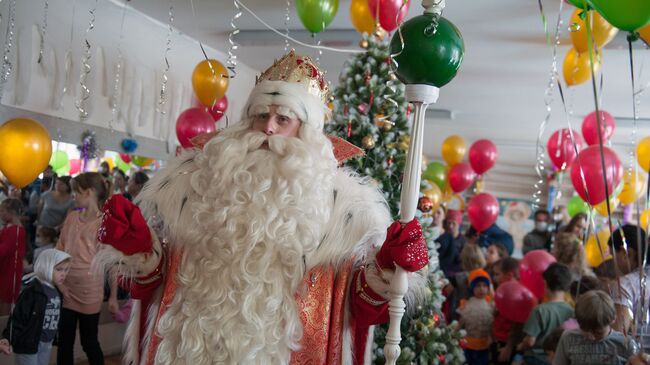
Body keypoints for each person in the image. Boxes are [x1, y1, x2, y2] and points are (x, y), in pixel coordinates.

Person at [93, 51, 429, 364]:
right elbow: (150, 286)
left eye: (283, 118)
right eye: (260, 116)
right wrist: (139, 251)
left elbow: (362, 309)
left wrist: (386, 271)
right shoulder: (190, 188)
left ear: (308, 130)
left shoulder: (345, 211)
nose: (268, 128)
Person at [56, 172, 113, 365]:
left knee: (89, 341)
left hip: (90, 291)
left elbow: (110, 262)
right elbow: (60, 249)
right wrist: (59, 282)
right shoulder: (72, 217)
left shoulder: (103, 223)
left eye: (76, 192)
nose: (74, 196)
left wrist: (113, 296)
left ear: (89, 192)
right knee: (64, 341)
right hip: (67, 290)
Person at [0, 249, 71, 365]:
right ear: (46, 266)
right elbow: (17, 318)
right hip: (29, 342)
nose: (64, 274)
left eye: (66, 270)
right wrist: (7, 338)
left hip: (47, 342)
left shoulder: (57, 290)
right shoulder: (32, 292)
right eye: (59, 270)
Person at [554, 290, 638, 365]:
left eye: (598, 332)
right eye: (585, 330)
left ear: (613, 319)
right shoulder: (568, 338)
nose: (591, 337)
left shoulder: (626, 344)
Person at [518, 263, 574, 365]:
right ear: (567, 286)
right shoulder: (571, 310)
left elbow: (530, 341)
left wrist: (520, 346)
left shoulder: (540, 310)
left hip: (536, 358)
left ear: (546, 284)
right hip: (561, 358)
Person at [609, 225, 650, 348]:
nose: (613, 262)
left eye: (613, 256)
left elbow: (618, 335)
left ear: (625, 253)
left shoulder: (625, 284)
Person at [458, 268, 494, 365]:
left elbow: (493, 323)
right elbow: (461, 323)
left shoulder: (491, 303)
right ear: (472, 288)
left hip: (485, 345)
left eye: (484, 285)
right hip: (468, 344)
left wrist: (492, 337)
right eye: (478, 286)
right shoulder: (466, 304)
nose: (482, 289)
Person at [491, 257, 523, 364]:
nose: (494, 278)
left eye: (497, 274)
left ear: (509, 275)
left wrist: (509, 346)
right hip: (499, 338)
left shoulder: (512, 293)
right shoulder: (503, 289)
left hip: (506, 342)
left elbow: (517, 322)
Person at [0, 198, 27, 314]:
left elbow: (3, 250)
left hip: (11, 270)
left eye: (2, 211)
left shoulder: (16, 230)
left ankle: (3, 328)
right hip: (5, 266)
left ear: (12, 212)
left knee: (6, 300)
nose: (0, 214)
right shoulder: (9, 226)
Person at [436, 209, 465, 278]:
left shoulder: (463, 241)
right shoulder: (443, 237)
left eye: (454, 223)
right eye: (449, 223)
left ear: (459, 224)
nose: (450, 226)